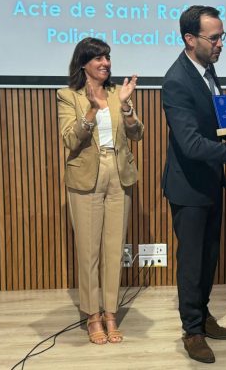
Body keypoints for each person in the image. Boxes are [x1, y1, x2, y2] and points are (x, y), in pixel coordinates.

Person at [161, 5, 226, 364]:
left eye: (223, 36)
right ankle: (191, 331)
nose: (221, 43)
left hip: (210, 182)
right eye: (215, 37)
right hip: (188, 188)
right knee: (191, 262)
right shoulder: (175, 81)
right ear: (191, 40)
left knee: (209, 257)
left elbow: (210, 123)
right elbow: (190, 144)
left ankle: (202, 316)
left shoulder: (208, 70)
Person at [57, 37, 144, 345]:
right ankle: (92, 316)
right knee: (89, 251)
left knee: (113, 249)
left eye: (107, 57)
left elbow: (137, 134)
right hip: (86, 177)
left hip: (118, 174)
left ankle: (110, 313)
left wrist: (127, 108)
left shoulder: (117, 94)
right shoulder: (69, 96)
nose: (105, 63)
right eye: (98, 58)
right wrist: (92, 112)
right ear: (84, 63)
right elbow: (70, 140)